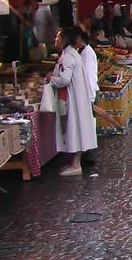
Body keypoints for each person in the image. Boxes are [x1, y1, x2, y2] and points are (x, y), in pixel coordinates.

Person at [49, 27, 98, 176]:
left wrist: (51, 79)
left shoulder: (69, 56)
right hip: (77, 97)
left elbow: (65, 79)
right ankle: (74, 163)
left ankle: (76, 164)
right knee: (76, 128)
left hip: (75, 99)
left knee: (75, 129)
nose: (55, 40)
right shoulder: (71, 54)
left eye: (58, 37)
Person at [76, 30, 99, 166]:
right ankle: (88, 153)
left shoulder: (88, 53)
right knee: (88, 123)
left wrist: (90, 97)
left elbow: (90, 76)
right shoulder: (84, 52)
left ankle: (89, 154)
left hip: (89, 93)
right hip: (87, 93)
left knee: (89, 123)